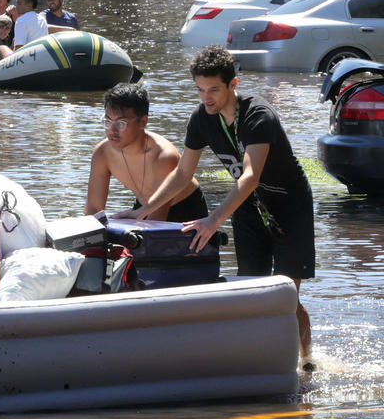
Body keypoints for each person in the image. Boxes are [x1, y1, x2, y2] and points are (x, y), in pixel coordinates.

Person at [116, 45, 315, 367]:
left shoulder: (258, 116)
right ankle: (261, 360)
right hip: (249, 208)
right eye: (199, 89)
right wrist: (144, 209)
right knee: (252, 292)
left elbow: (249, 176)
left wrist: (212, 220)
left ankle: (307, 361)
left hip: (289, 207)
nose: (206, 98)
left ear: (232, 85)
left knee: (285, 296)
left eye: (213, 90)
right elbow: (182, 173)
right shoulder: (201, 118)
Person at [85, 83, 208, 222]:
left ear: (143, 121)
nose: (112, 130)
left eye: (121, 123)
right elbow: (93, 209)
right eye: (107, 121)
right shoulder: (102, 152)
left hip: (185, 209)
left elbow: (157, 219)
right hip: (143, 205)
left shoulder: (163, 155)